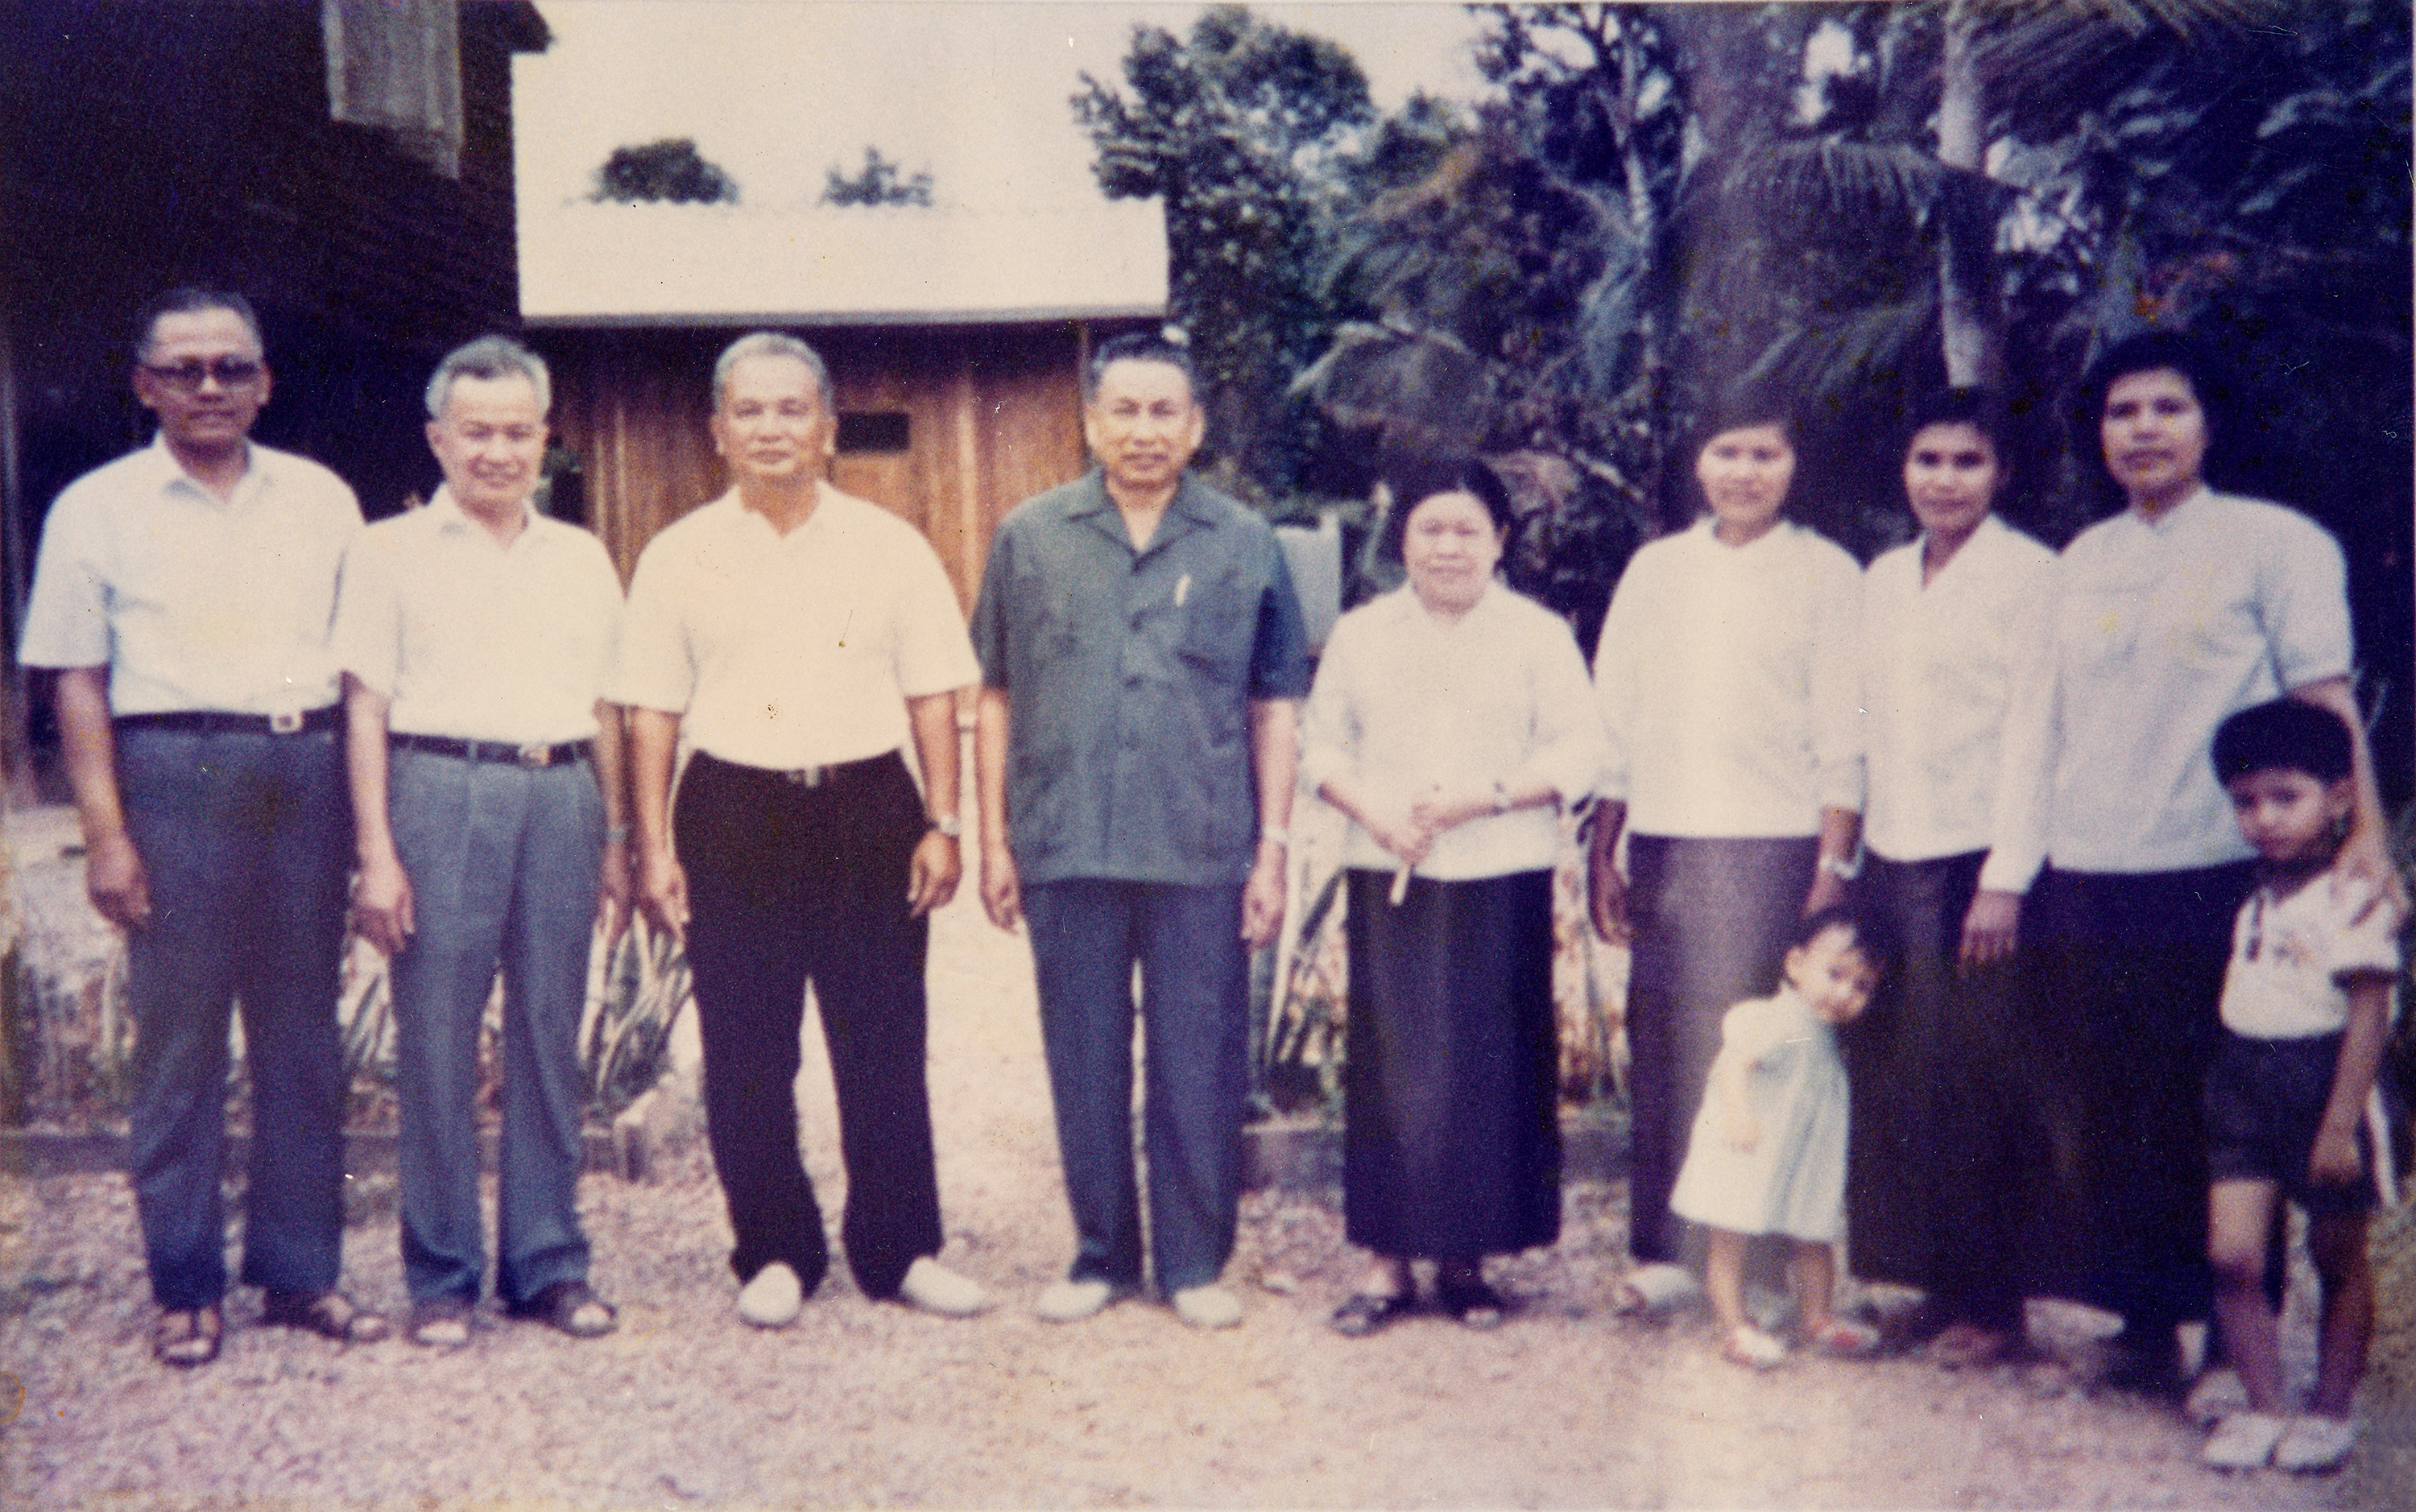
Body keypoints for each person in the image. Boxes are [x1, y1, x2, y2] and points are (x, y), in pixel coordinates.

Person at [1984, 330, 2392, 1393]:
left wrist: (2363, 835)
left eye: (2169, 406)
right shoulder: (2079, 562)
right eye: (2123, 411)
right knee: (2115, 1104)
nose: (2145, 429)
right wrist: (2012, 868)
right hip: (2092, 869)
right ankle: (2142, 1320)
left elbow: (2322, 701)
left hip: (2223, 872)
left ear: (2210, 421)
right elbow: (2038, 725)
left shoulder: (2279, 542)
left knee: (2222, 1106)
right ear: (2099, 434)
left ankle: (2229, 1338)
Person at [16, 287, 384, 1365]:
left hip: (302, 766)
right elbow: (77, 680)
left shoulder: (321, 498)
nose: (209, 386)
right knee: (179, 1042)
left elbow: (361, 662)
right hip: (173, 771)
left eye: (231, 367)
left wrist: (366, 829)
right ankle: (185, 1282)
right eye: (185, 369)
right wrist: (107, 831)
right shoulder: (96, 506)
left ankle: (298, 1273)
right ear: (145, 384)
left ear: (266, 381)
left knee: (301, 1035)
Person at [616, 332, 991, 1326]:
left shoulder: (890, 546)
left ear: (829, 431)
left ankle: (899, 1248)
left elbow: (930, 693)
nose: (771, 429)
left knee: (882, 1039)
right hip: (733, 811)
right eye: (750, 411)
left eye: (792, 411)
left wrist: (942, 822)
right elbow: (650, 709)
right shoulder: (677, 554)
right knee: (747, 1048)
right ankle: (773, 1251)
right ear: (718, 432)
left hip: (869, 807)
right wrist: (654, 846)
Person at [970, 330, 1313, 1329]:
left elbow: (1274, 706)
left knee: (1198, 1057)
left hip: (1199, 843)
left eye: (1165, 412)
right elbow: (993, 693)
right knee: (1082, 1053)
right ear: (1090, 422)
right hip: (1064, 837)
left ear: (1197, 426)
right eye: (1123, 410)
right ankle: (1100, 1256)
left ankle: (1196, 1263)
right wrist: (995, 839)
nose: (1144, 430)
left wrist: (1274, 852)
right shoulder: (1030, 536)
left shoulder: (1246, 542)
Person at [333, 336, 628, 1349]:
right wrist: (377, 851)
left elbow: (606, 702)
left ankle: (547, 1264)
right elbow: (364, 705)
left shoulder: (581, 555)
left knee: (551, 1031)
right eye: (476, 433)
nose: (497, 453)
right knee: (439, 1040)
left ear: (546, 439)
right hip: (437, 786)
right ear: (437, 438)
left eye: (517, 432)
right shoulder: (385, 550)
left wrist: (619, 837)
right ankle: (443, 1277)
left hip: (559, 793)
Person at [1300, 456, 1608, 1336]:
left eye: (1468, 530)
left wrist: (1490, 794)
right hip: (1391, 873)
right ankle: (1387, 1264)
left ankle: (1468, 1262)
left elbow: (1582, 750)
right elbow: (1324, 750)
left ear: (1501, 540)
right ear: (1402, 536)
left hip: (1500, 872)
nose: (1447, 546)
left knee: (1486, 1069)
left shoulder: (1538, 634)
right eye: (1430, 528)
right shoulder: (1362, 633)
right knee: (1396, 1072)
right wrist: (1380, 814)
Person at [1586, 388, 1863, 1312]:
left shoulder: (1828, 575)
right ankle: (1668, 1254)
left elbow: (1842, 732)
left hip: (1780, 845)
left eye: (1766, 455)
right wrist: (1605, 854)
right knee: (1670, 1045)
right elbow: (1616, 719)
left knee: (1774, 1055)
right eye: (1728, 453)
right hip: (1670, 843)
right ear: (1697, 466)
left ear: (1795, 468)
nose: (1745, 473)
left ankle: (1775, 1268)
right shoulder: (1656, 571)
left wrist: (1831, 869)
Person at [1849, 388, 2059, 1369]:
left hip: (1982, 860)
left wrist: (2007, 877)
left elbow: (2035, 735)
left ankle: (1995, 1303)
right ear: (1904, 469)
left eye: (1966, 462)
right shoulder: (1884, 578)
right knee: (1902, 1079)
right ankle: (1929, 1284)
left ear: (2002, 474)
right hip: (1891, 853)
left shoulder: (2034, 578)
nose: (1944, 479)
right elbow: (1858, 724)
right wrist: (1842, 864)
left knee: (1979, 1081)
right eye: (1927, 460)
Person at [2195, 700, 2398, 1472]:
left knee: (2336, 1252)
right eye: (2246, 801)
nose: (2265, 818)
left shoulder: (2355, 896)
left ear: (2340, 797)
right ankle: (2264, 1406)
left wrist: (2342, 1124)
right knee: (2234, 1255)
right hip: (2243, 1081)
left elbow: (2371, 1013)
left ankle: (2330, 1409)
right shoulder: (2251, 893)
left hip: (2328, 1083)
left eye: (2287, 797)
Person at [1671, 907, 1884, 1369]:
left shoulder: (1825, 1036)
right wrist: (1740, 1113)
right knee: (1730, 1236)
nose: (1846, 993)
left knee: (1814, 1233)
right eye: (1835, 975)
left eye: (1862, 986)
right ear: (1794, 966)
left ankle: (1818, 1317)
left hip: (1800, 1154)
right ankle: (1735, 1328)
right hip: (1750, 1145)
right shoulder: (1777, 1022)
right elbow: (1733, 1064)